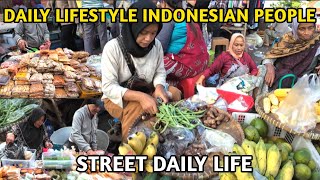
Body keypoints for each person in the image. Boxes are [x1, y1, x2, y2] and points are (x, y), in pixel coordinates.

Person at [102, 0, 182, 140]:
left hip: (147, 88)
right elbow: (108, 87)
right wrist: (141, 97)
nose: (148, 38)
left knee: (175, 94)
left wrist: (159, 87)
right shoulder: (112, 48)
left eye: (153, 33)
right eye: (143, 32)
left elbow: (160, 71)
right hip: (117, 97)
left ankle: (168, 138)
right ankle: (131, 150)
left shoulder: (156, 45)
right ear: (133, 27)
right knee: (138, 110)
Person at [156, 0, 209, 85]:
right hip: (202, 63)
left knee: (153, 60)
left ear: (164, 3)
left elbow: (160, 47)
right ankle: (175, 84)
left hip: (189, 67)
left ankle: (170, 86)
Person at [263, 19, 320, 90]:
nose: (306, 32)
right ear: (295, 28)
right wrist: (269, 66)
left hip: (303, 83)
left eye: (310, 28)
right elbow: (271, 55)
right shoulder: (287, 39)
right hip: (281, 79)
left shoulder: (317, 42)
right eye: (302, 29)